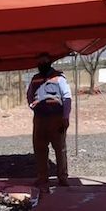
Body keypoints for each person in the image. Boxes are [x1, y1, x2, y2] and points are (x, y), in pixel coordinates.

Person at [27, 53, 72, 189]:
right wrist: (33, 105)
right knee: (39, 148)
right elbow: (29, 95)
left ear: (49, 62)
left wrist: (65, 116)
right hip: (40, 118)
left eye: (44, 61)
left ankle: (62, 177)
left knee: (60, 149)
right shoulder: (35, 79)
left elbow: (67, 97)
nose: (41, 64)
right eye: (39, 61)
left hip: (56, 118)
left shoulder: (59, 78)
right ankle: (42, 177)